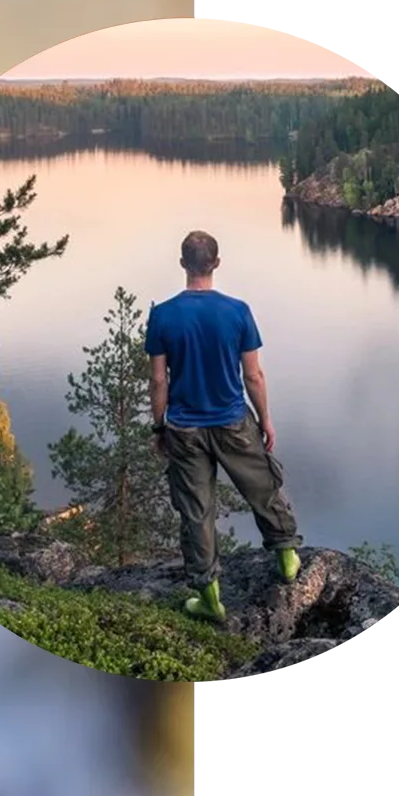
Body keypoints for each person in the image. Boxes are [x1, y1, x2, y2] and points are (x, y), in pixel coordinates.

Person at [147, 229, 302, 623]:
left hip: (183, 427)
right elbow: (254, 377)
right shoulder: (237, 311)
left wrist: (159, 426)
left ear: (183, 264)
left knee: (196, 511)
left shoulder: (162, 315)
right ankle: (286, 555)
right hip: (232, 420)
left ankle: (209, 596)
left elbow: (159, 380)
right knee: (262, 487)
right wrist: (265, 420)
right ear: (216, 264)